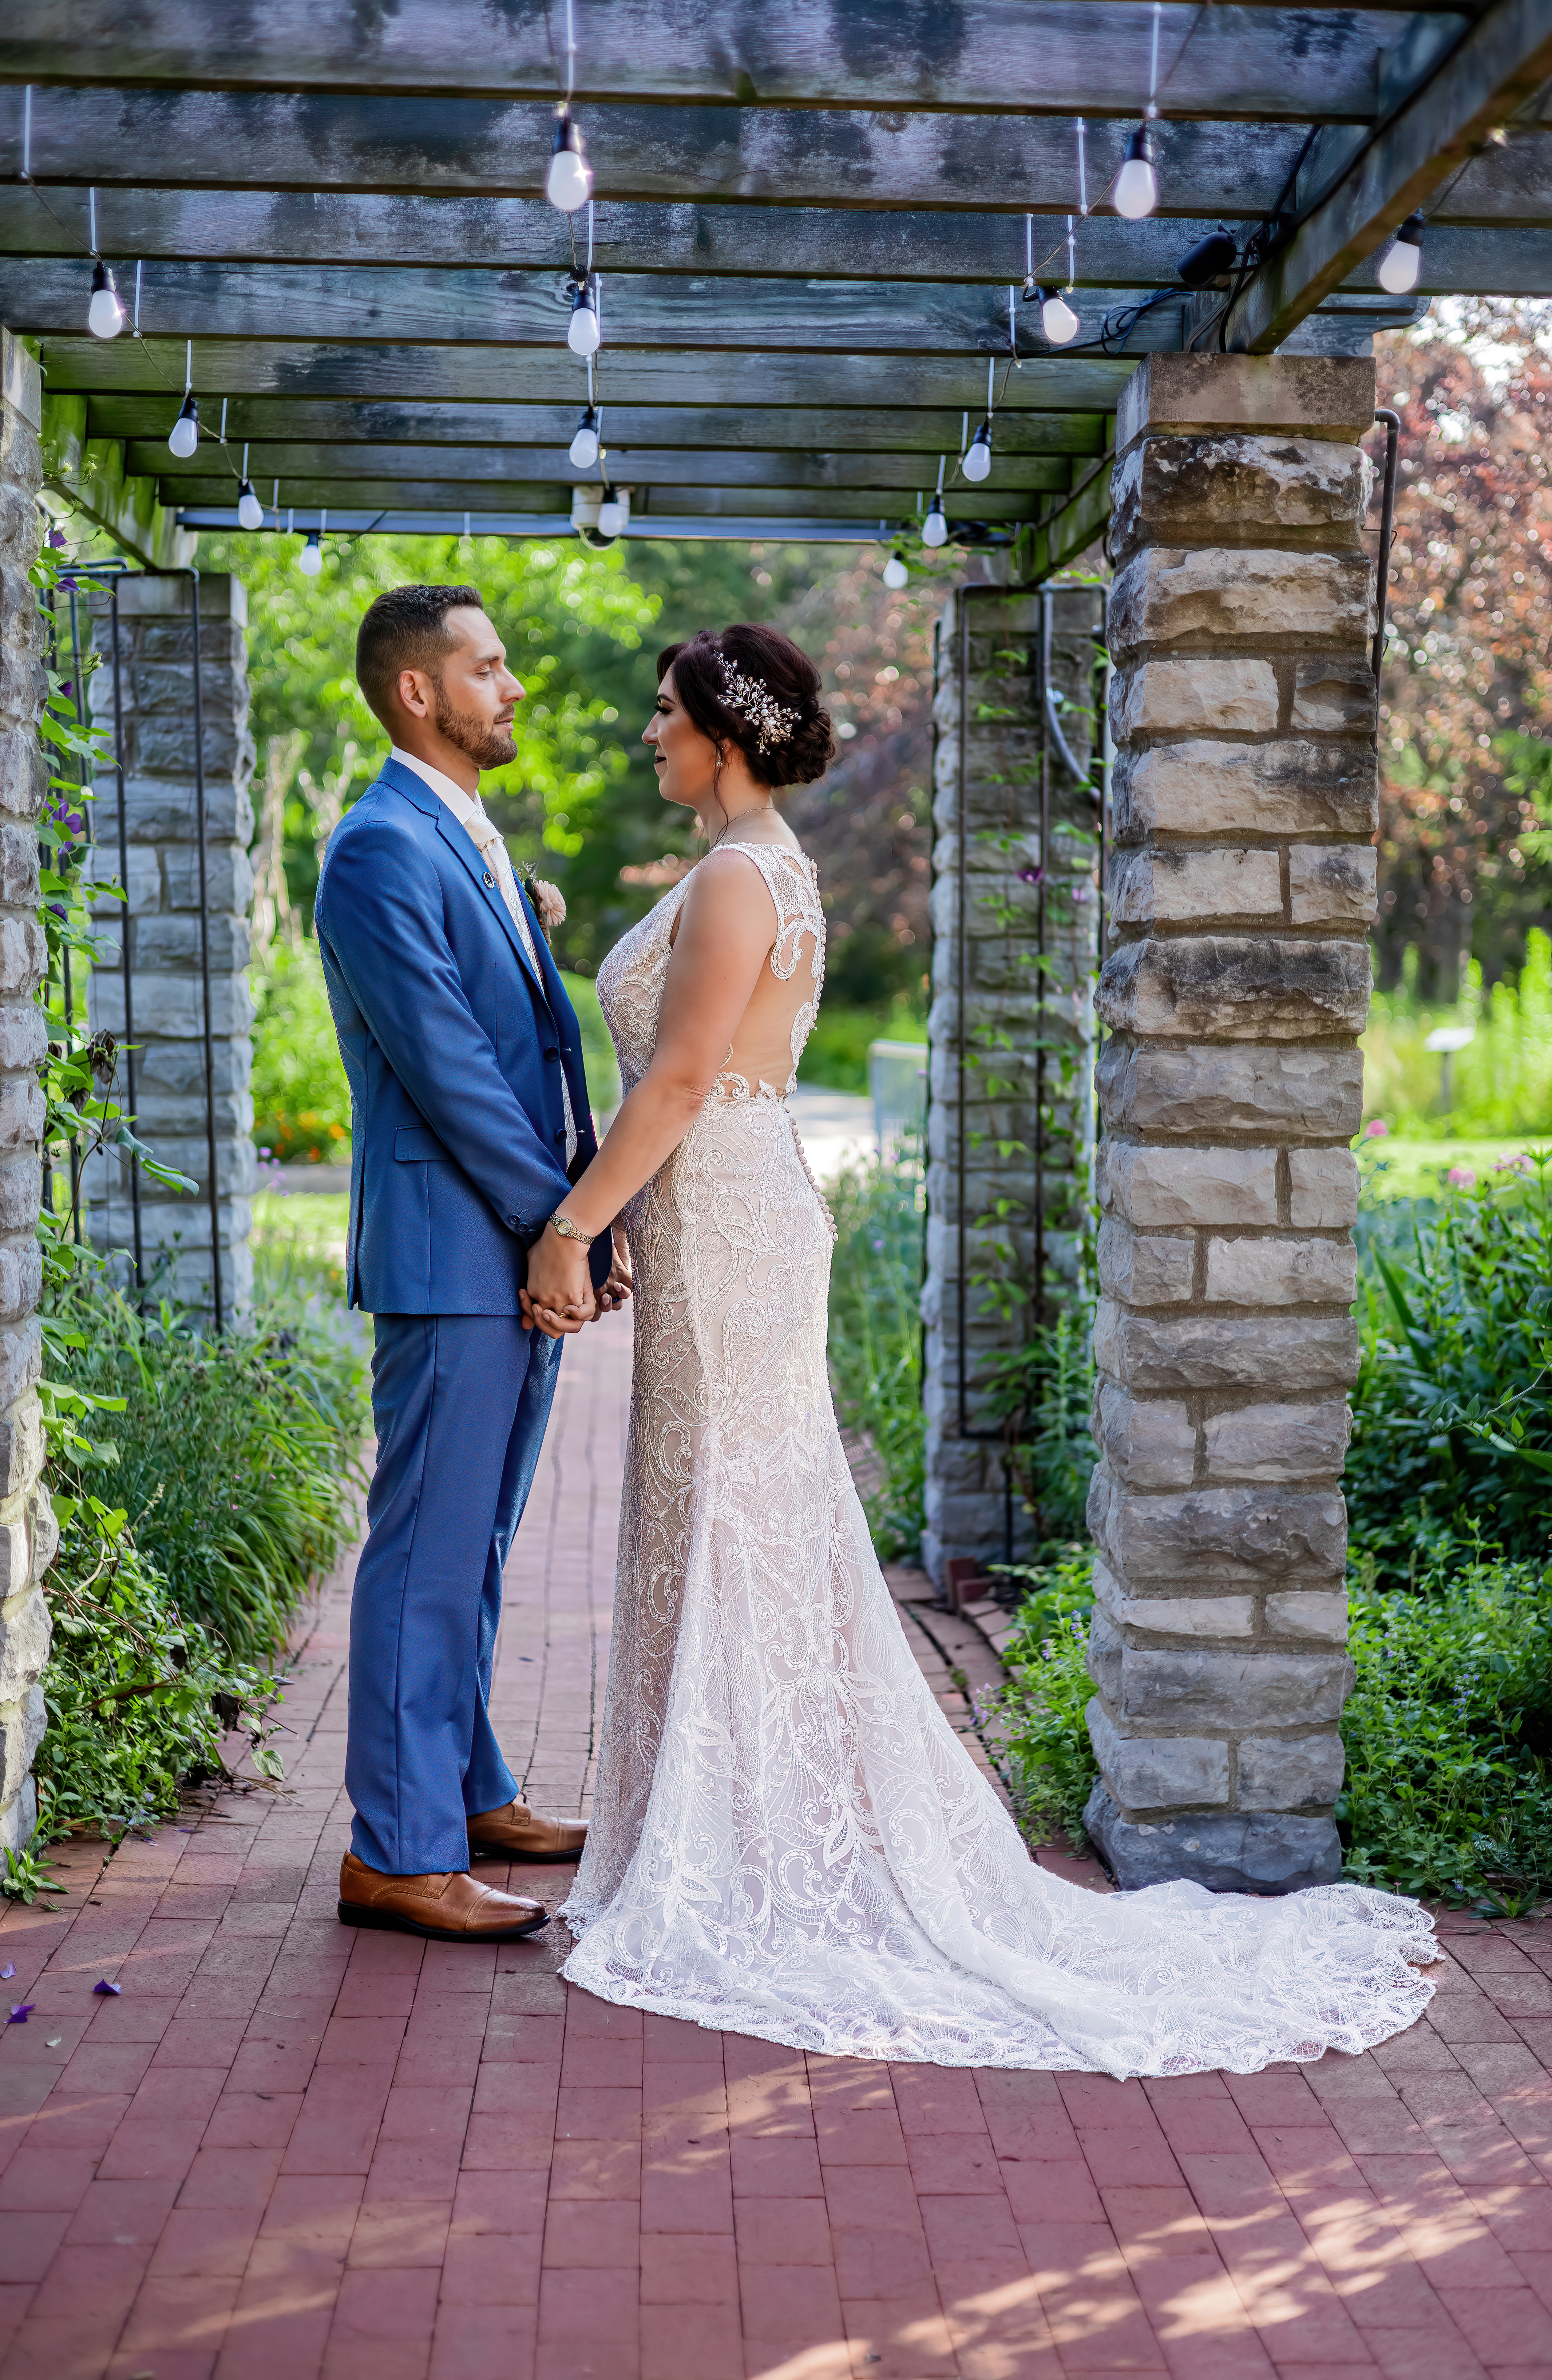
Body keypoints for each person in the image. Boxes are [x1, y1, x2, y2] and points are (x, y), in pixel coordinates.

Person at [522, 621, 1440, 2077]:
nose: (649, 736)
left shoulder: (739, 876)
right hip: (720, 1212)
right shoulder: (754, 867)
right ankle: (719, 1823)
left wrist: (575, 1225)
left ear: (726, 732)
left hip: (733, 1213)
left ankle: (759, 1849)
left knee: (740, 1515)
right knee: (728, 1513)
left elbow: (685, 1077)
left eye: (663, 715)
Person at [315, 583, 623, 1944]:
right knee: (425, 1555)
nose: (515, 689)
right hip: (453, 1256)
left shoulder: (470, 838)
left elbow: (532, 1049)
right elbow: (451, 1078)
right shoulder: (377, 848)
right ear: (417, 693)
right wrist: (566, 1219)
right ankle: (397, 1851)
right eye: (490, 668)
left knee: (479, 1546)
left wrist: (583, 1217)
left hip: (505, 1244)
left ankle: (468, 1784)